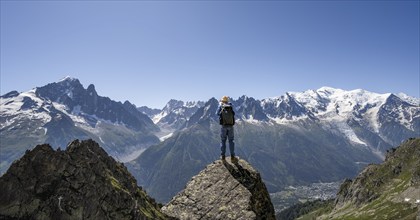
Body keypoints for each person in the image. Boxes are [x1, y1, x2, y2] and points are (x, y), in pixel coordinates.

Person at [216, 96, 236, 161]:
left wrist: (220, 108)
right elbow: (234, 113)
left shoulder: (221, 106)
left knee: (223, 140)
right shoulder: (231, 105)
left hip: (224, 126)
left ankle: (223, 156)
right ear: (227, 100)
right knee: (231, 140)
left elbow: (217, 114)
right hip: (230, 126)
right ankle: (232, 156)